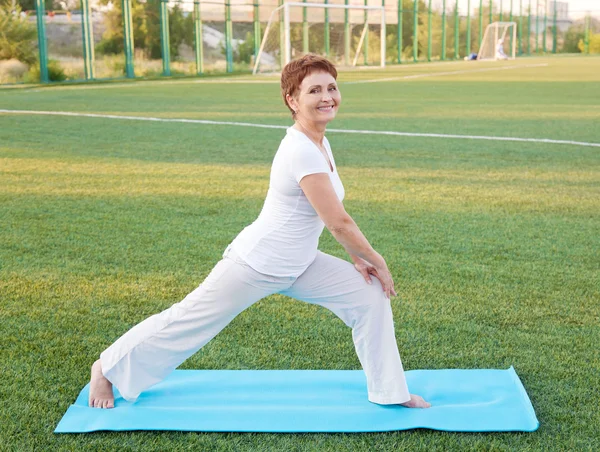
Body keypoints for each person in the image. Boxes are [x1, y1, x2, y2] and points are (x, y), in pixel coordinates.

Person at [89, 54, 431, 410]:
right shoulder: (301, 149)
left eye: (331, 87)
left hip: (299, 263)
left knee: (369, 298)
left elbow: (330, 215)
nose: (327, 96)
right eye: (314, 90)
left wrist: (358, 261)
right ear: (292, 100)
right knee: (188, 321)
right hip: (258, 263)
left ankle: (391, 393)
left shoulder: (318, 141)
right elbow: (339, 223)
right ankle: (106, 367)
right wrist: (376, 259)